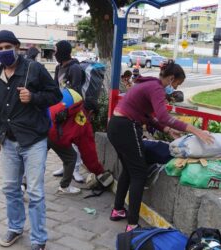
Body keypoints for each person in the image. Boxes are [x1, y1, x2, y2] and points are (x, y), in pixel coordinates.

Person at [107, 60, 214, 232]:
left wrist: (167, 130)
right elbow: (164, 116)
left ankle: (118, 210)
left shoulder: (149, 84)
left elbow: (148, 116)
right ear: (171, 78)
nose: (176, 88)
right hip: (126, 127)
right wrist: (195, 130)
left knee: (128, 169)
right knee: (139, 173)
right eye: (178, 83)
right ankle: (133, 225)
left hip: (115, 126)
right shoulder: (156, 88)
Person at [0, 30, 62, 250]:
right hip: (9, 142)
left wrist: (34, 98)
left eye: (7, 47)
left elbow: (56, 95)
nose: (3, 52)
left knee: (36, 193)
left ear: (17, 47)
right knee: (10, 188)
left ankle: (39, 239)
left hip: (34, 141)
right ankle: (15, 227)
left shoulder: (34, 69)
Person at [52, 40, 85, 183]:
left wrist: (69, 110)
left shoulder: (75, 68)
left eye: (56, 50)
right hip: (61, 108)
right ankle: (66, 166)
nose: (55, 53)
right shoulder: (59, 67)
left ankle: (76, 169)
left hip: (73, 109)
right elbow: (54, 87)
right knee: (63, 139)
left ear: (63, 51)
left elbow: (76, 91)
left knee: (75, 139)